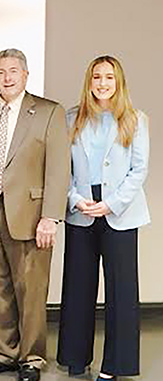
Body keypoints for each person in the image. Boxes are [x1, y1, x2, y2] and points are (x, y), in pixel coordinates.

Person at [0, 48, 70, 381]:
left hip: (31, 214)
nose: (6, 78)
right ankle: (4, 353)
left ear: (25, 75)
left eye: (13, 71)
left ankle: (32, 357)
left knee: (31, 289)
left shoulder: (49, 112)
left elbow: (57, 168)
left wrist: (50, 216)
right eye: (0, 72)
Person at [57, 56, 149, 381]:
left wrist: (110, 203)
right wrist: (74, 199)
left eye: (109, 77)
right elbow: (60, 168)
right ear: (89, 81)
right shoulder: (71, 118)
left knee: (122, 292)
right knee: (77, 286)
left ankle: (115, 365)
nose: (102, 83)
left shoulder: (135, 120)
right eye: (97, 77)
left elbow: (139, 171)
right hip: (81, 207)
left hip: (120, 211)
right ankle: (75, 358)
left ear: (118, 82)